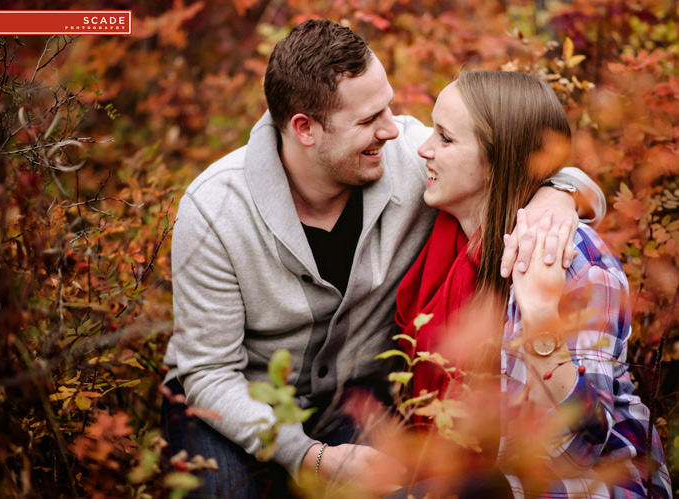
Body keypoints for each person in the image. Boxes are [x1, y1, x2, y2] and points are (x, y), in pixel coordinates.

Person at [161, 19, 607, 498]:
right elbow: (208, 373)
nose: (394, 130)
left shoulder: (414, 163)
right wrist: (308, 456)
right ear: (305, 129)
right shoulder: (215, 208)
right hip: (238, 399)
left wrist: (555, 195)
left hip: (359, 399)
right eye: (369, 119)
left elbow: (515, 164)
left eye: (389, 105)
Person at [392, 70, 669, 498]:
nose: (423, 148)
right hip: (487, 471)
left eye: (445, 139)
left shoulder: (571, 264)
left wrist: (541, 318)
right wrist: (563, 187)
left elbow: (582, 447)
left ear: (497, 160)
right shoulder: (450, 216)